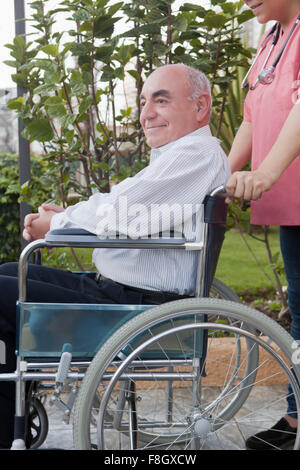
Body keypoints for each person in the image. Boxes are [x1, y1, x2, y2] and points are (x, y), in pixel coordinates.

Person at [0, 63, 230, 449]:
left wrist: (56, 228)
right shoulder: (177, 154)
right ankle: (12, 413)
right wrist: (66, 219)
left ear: (200, 106)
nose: (146, 113)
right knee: (9, 271)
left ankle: (9, 427)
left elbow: (122, 215)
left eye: (161, 100)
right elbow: (119, 206)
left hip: (139, 309)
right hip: (121, 295)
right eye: (143, 102)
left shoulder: (196, 155)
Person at [225, 0, 300, 450]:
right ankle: (295, 417)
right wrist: (218, 178)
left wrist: (267, 173)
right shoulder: (271, 37)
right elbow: (252, 116)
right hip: (294, 208)